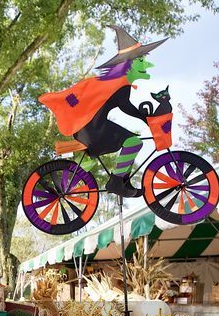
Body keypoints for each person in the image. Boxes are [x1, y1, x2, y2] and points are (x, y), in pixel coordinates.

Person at [38, 26, 167, 198]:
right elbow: (125, 107)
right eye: (142, 60)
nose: (148, 64)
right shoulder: (119, 83)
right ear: (129, 64)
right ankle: (116, 183)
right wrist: (147, 118)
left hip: (87, 129)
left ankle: (120, 181)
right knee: (133, 142)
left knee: (128, 143)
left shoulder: (115, 83)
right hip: (92, 129)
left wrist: (145, 117)